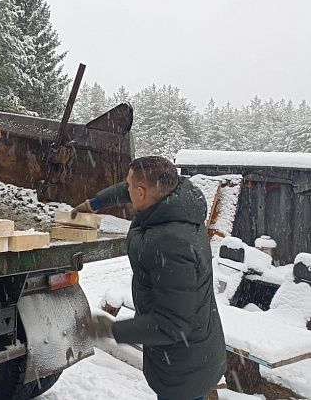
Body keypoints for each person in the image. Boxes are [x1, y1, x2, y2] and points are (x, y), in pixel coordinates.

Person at [76, 156, 226, 400]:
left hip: (183, 368)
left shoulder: (169, 244)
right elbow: (131, 189)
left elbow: (173, 325)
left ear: (142, 192)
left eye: (130, 186)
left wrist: (111, 329)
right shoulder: (177, 200)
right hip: (197, 350)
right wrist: (94, 203)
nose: (126, 190)